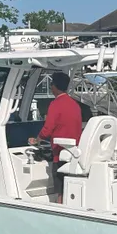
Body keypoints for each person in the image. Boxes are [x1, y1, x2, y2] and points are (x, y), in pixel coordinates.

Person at [28, 71, 83, 203]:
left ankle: (59, 208)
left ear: (55, 86)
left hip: (60, 154)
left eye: (51, 84)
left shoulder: (55, 104)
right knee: (68, 187)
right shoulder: (75, 105)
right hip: (74, 153)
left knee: (60, 189)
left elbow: (47, 129)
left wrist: (36, 140)